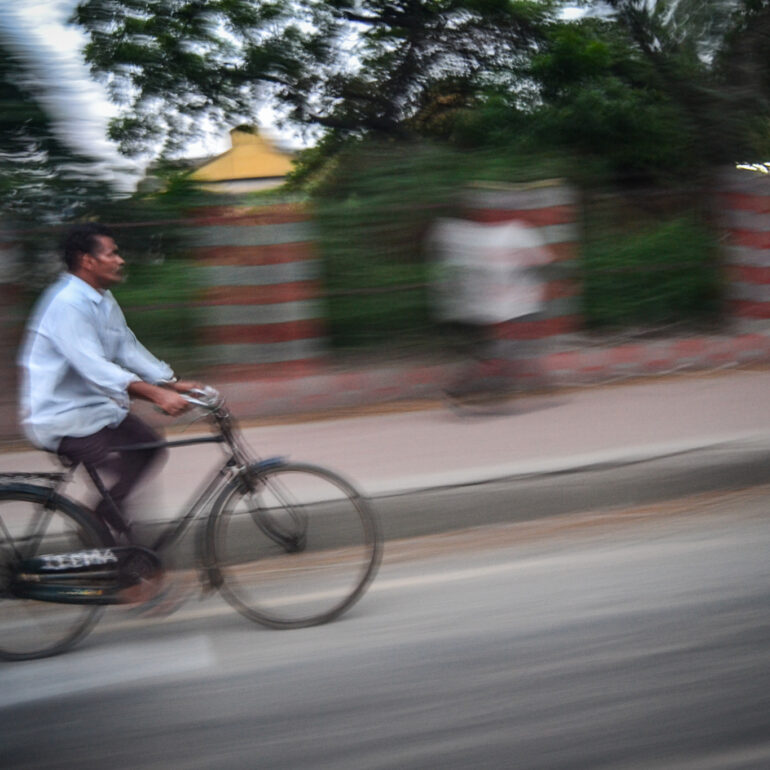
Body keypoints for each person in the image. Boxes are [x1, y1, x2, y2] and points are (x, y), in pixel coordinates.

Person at [18, 222, 196, 545]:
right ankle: (117, 560)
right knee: (116, 471)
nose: (120, 260)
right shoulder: (67, 303)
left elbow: (126, 347)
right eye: (112, 253)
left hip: (94, 411)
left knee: (149, 447)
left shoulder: (101, 299)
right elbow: (94, 368)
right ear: (87, 260)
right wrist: (155, 394)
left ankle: (100, 522)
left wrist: (171, 381)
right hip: (63, 419)